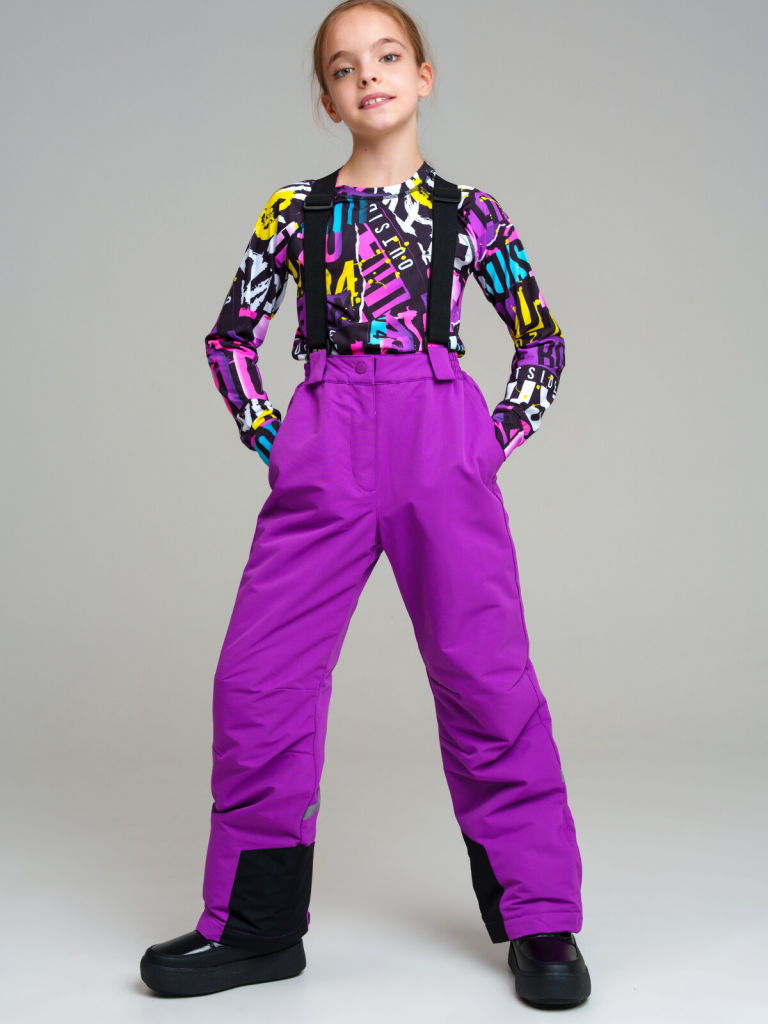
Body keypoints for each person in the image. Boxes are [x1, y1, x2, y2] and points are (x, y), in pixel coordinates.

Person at [139, 0, 590, 1009]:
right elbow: (231, 338)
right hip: (325, 447)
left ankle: (541, 919)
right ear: (329, 99)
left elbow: (542, 337)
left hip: (442, 447)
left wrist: (490, 442)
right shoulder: (292, 213)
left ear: (422, 76)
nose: (368, 76)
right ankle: (254, 927)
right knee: (258, 682)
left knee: (487, 680)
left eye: (387, 56)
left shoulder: (470, 212)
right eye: (344, 68)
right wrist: (279, 442)